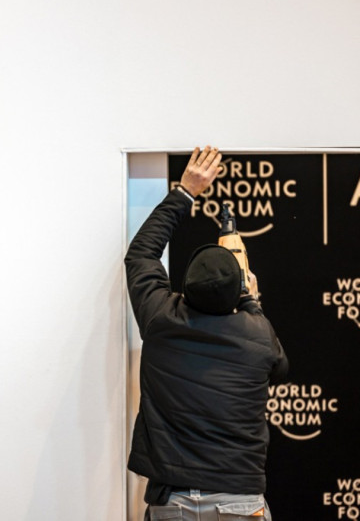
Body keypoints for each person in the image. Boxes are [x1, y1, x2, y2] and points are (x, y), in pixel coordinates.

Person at [125, 146, 288, 521]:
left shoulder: (160, 318)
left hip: (172, 502)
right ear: (239, 291)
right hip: (240, 500)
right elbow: (280, 368)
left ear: (185, 286)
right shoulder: (258, 334)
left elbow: (141, 255)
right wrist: (252, 302)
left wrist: (186, 191)